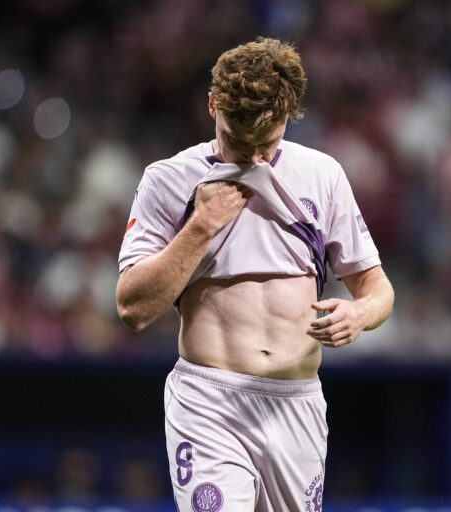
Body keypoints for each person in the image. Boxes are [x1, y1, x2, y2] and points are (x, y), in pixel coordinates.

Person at [116, 37, 394, 512]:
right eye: (239, 143)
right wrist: (200, 226)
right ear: (212, 107)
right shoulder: (168, 180)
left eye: (268, 143)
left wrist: (360, 313)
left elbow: (377, 289)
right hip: (210, 401)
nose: (256, 160)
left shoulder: (321, 175)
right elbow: (131, 308)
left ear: (290, 116)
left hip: (296, 403)